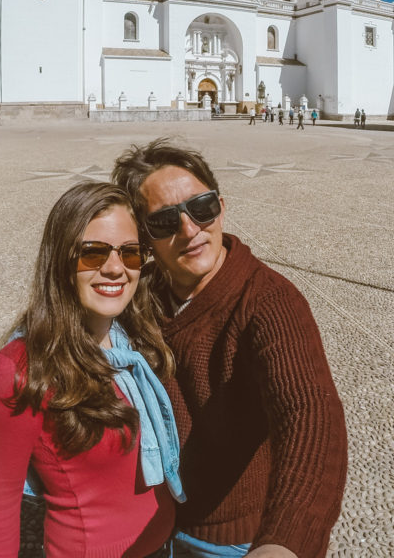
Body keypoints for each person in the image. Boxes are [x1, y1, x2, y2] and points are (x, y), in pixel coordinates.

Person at [112, 140, 348, 558]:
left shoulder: (268, 301)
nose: (189, 230)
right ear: (145, 238)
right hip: (148, 526)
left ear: (221, 206)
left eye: (201, 208)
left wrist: (284, 542)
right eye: (165, 221)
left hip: (229, 541)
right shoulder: (138, 293)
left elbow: (310, 415)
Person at [0, 182, 184, 558]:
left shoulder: (137, 334)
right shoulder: (20, 371)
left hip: (164, 544)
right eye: (92, 253)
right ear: (61, 260)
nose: (115, 268)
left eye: (130, 253)